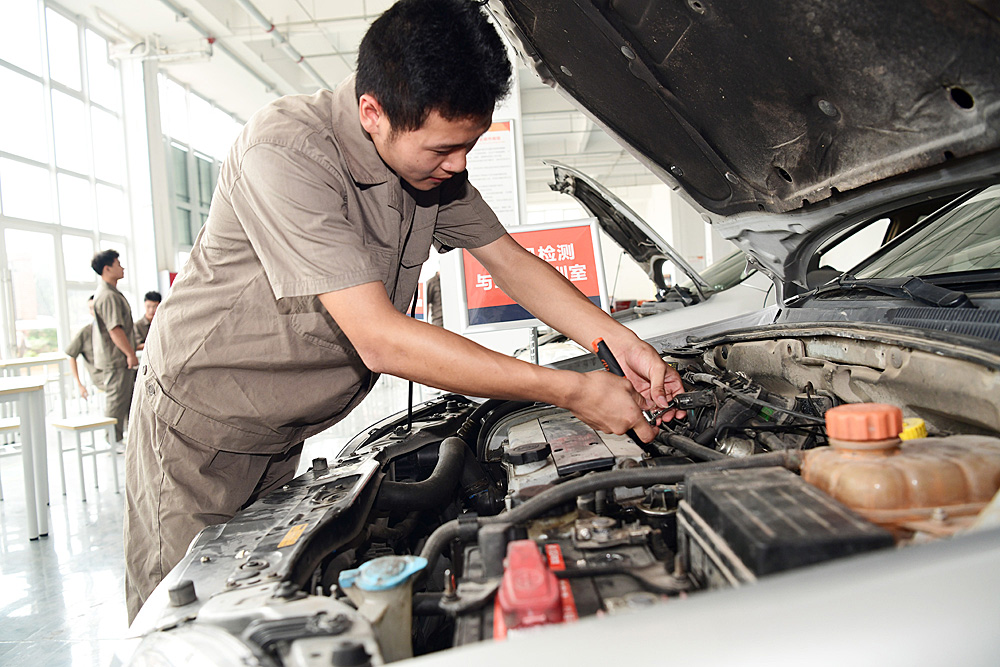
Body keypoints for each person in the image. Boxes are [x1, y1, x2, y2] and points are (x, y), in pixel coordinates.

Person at [124, 0, 685, 624]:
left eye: (470, 146)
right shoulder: (286, 153)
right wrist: (570, 391)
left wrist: (618, 339)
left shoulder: (427, 170)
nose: (460, 166)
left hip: (279, 433)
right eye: (446, 148)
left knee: (266, 612)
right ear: (374, 113)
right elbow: (381, 340)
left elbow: (508, 261)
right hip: (196, 436)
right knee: (190, 626)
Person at [91, 249, 138, 446]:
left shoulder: (111, 293)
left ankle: (120, 438)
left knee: (124, 397)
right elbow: (115, 329)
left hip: (117, 357)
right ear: (107, 268)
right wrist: (130, 354)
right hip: (116, 358)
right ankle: (112, 441)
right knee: (116, 400)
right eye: (118, 264)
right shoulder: (107, 295)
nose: (122, 267)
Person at [64, 295, 105, 399]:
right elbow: (71, 355)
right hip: (101, 377)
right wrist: (79, 384)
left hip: (116, 373)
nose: (94, 311)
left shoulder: (113, 330)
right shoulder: (85, 332)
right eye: (91, 308)